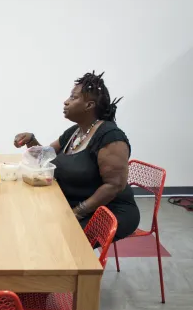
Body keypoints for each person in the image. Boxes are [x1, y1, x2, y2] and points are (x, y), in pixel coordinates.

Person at [14, 71, 140, 241]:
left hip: (109, 211)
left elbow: (113, 186)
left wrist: (76, 213)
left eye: (73, 98)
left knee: (57, 239)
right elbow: (46, 155)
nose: (66, 102)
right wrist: (31, 139)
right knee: (30, 221)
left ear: (89, 105)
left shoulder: (110, 137)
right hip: (76, 203)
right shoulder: (75, 132)